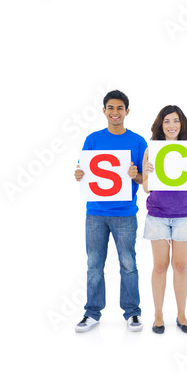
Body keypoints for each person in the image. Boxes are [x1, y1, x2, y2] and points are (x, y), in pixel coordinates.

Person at [74, 90, 147, 333]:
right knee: (94, 264)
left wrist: (133, 175)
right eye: (110, 108)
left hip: (125, 212)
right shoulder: (93, 139)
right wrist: (79, 174)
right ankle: (92, 313)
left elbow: (144, 180)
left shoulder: (138, 142)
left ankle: (132, 313)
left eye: (119, 108)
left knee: (128, 263)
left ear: (127, 111)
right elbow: (84, 171)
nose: (115, 113)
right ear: (104, 111)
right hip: (95, 212)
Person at [141, 105, 187, 334]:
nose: (172, 125)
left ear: (181, 124)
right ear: (161, 125)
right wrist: (148, 171)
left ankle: (182, 315)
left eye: (176, 121)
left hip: (184, 214)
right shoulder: (151, 151)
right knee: (160, 266)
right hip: (158, 214)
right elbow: (146, 188)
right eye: (167, 121)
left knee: (181, 267)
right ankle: (157, 315)